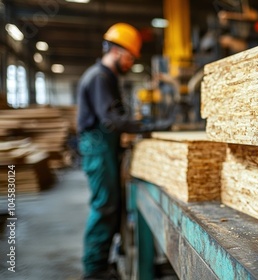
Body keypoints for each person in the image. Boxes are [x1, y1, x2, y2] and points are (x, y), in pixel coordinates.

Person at [76, 23, 171, 279]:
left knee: (113, 204)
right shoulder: (99, 77)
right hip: (98, 147)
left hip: (104, 146)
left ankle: (104, 260)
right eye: (130, 57)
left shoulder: (107, 77)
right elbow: (112, 120)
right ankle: (94, 269)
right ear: (117, 52)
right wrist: (149, 126)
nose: (130, 63)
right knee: (104, 205)